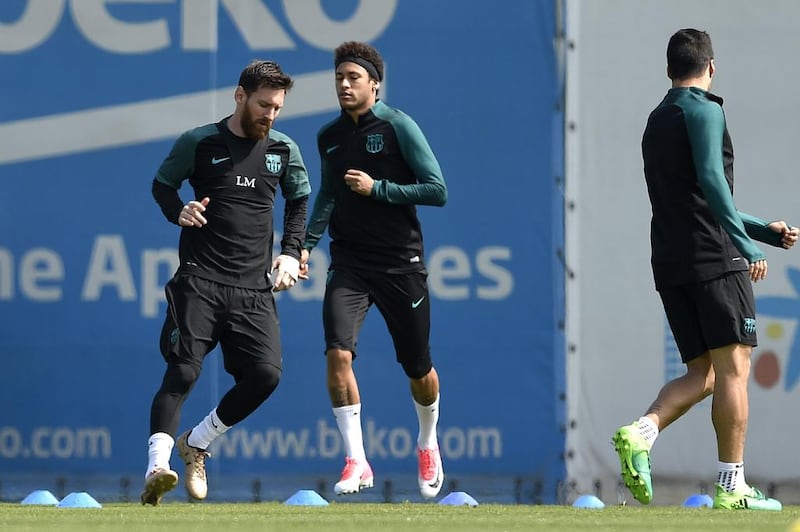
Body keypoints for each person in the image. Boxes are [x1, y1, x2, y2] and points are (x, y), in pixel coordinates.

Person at [612, 28, 798, 511]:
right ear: (710, 66)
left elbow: (696, 196)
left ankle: (642, 431)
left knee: (705, 373)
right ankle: (732, 485)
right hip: (715, 259)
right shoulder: (706, 109)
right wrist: (744, 242)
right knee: (735, 369)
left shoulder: (657, 119)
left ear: (668, 69)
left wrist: (762, 231)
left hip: (672, 261)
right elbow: (714, 184)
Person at [140, 60, 310, 505]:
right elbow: (162, 186)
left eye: (277, 108)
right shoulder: (199, 142)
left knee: (265, 376)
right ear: (240, 96)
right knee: (183, 370)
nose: (270, 115)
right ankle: (157, 467)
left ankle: (197, 442)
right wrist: (178, 209)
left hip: (254, 288)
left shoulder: (284, 149)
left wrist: (292, 251)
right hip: (200, 279)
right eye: (263, 105)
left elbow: (298, 202)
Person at [298, 41, 448, 499]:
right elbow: (326, 194)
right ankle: (356, 460)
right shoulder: (329, 136)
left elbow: (436, 189)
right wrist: (303, 246)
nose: (344, 85)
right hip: (350, 263)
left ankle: (427, 440)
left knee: (418, 367)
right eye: (339, 78)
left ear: (374, 84)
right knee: (337, 354)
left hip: (401, 263)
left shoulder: (398, 126)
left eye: (353, 78)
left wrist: (378, 188)